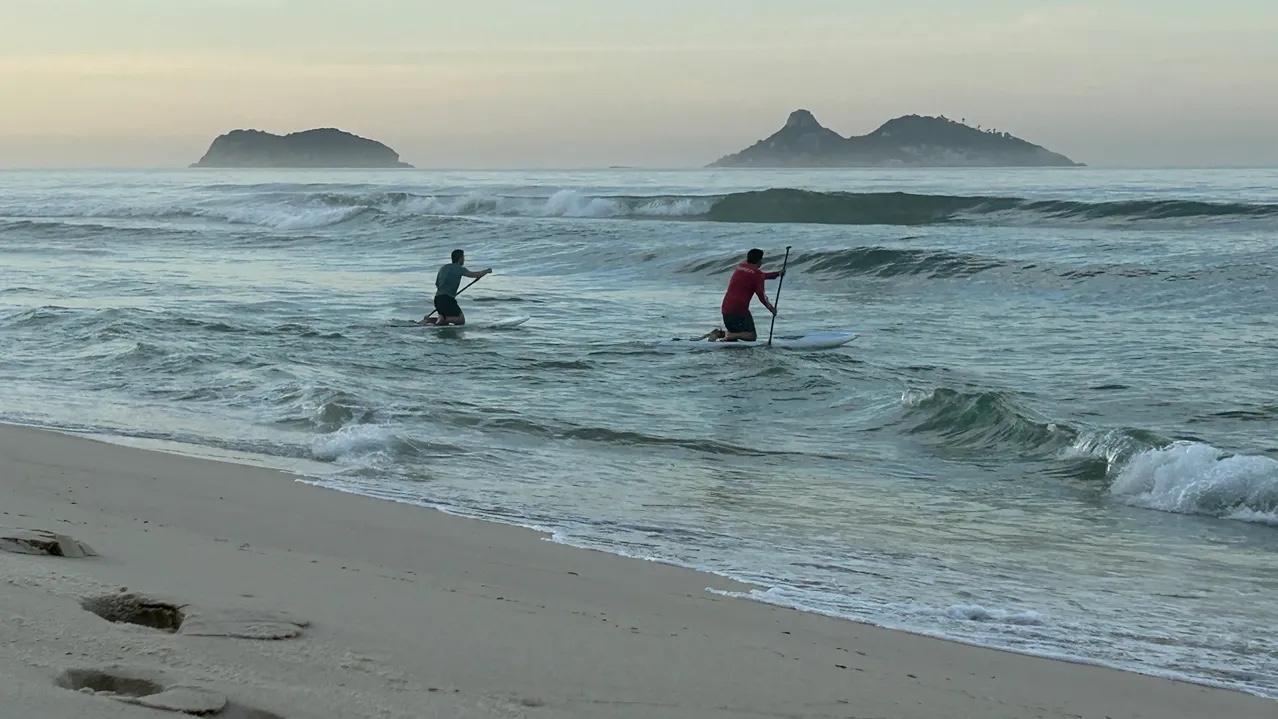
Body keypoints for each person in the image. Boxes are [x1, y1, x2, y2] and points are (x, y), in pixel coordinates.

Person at [718, 248, 783, 341]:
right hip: (739, 310)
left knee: (736, 338)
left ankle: (721, 334)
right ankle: (728, 335)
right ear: (759, 260)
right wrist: (771, 309)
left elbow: (758, 276)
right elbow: (762, 296)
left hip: (726, 308)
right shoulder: (757, 275)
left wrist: (777, 274)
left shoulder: (741, 266)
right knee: (751, 336)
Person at [420, 249, 491, 325]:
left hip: (438, 299)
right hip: (447, 299)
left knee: (443, 324)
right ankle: (443, 318)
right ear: (460, 258)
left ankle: (428, 320)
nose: (464, 259)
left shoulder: (443, 268)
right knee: (460, 320)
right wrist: (486, 271)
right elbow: (474, 275)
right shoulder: (459, 268)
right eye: (463, 257)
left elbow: (437, 284)